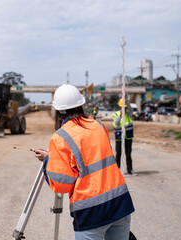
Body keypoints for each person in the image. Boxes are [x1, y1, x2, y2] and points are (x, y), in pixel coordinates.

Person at [35, 84, 135, 240]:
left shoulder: (60, 137)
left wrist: (48, 160)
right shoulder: (99, 126)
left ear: (58, 111)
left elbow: (61, 184)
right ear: (81, 105)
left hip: (92, 212)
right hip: (120, 203)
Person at [112, 97, 137, 175]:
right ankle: (117, 170)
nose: (124, 108)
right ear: (119, 107)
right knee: (118, 154)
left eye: (125, 107)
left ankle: (130, 169)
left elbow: (130, 109)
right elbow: (116, 122)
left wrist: (126, 101)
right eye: (123, 107)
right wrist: (121, 114)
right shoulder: (115, 114)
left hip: (128, 137)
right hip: (119, 137)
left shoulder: (129, 114)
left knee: (128, 154)